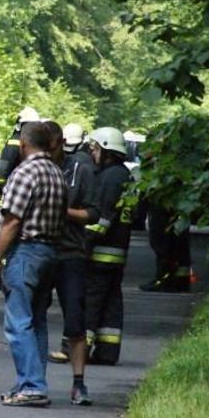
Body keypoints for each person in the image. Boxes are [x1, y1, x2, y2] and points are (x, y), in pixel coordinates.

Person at [0, 120, 66, 407]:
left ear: (23, 144)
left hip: (26, 253)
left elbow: (12, 221)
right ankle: (31, 382)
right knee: (38, 321)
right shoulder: (56, 173)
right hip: (50, 253)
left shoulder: (25, 172)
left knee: (18, 322)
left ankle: (32, 386)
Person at [42, 121, 99, 405]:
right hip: (39, 251)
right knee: (32, 317)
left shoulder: (81, 170)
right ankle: (33, 381)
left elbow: (93, 214)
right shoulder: (34, 167)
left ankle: (79, 384)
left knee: (75, 319)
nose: (48, 152)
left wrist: (63, 212)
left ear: (61, 142)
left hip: (71, 253)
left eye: (51, 146)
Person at [83, 127, 135, 365]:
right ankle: (107, 351)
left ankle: (79, 349)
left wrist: (81, 244)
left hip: (101, 255)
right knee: (111, 303)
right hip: (117, 253)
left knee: (90, 302)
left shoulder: (109, 177)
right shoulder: (124, 175)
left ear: (105, 149)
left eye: (94, 149)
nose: (92, 154)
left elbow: (100, 220)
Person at [140, 200, 192, 292]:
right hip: (181, 202)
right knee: (180, 242)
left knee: (163, 242)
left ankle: (165, 281)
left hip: (162, 202)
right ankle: (181, 282)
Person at [0, 106, 40, 199]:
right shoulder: (35, 143)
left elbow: (0, 169)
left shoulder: (14, 142)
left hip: (16, 192)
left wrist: (0, 188)